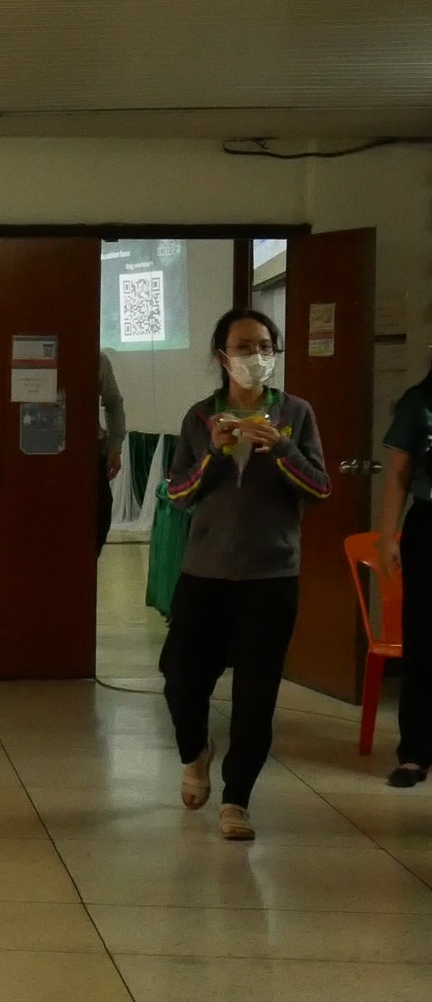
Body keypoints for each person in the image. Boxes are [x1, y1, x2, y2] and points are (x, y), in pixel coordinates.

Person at [160, 308, 328, 840]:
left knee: (256, 695)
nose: (255, 355)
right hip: (205, 572)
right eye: (244, 346)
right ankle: (195, 751)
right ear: (222, 356)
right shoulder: (199, 417)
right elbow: (178, 495)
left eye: (264, 346)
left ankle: (237, 799)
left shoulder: (295, 413)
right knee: (180, 677)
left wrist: (281, 448)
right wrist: (215, 452)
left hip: (270, 575)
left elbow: (319, 489)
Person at [376, 366, 432, 787]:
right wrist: (387, 536)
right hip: (429, 527)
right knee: (424, 640)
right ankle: (415, 753)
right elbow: (399, 473)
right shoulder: (420, 402)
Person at [98, 350, 127, 552]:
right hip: (43, 457)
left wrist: (115, 447)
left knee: (100, 517)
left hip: (91, 453)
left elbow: (114, 403)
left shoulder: (98, 359)